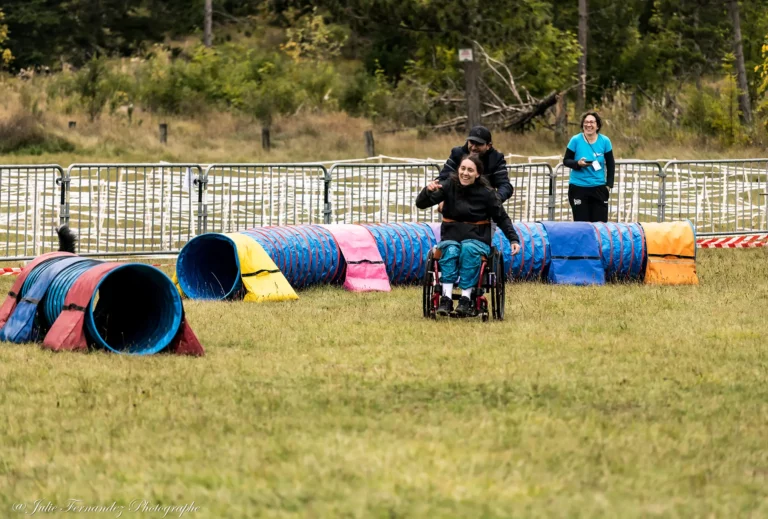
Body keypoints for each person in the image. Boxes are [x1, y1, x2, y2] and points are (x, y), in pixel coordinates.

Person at [416, 155, 521, 317]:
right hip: (451, 238)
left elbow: (502, 217)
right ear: (458, 170)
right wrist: (427, 191)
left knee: (468, 249)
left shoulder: (487, 193)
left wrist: (513, 239)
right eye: (463, 169)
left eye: (470, 170)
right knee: (450, 250)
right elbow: (421, 204)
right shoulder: (449, 185)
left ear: (477, 174)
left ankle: (466, 300)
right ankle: (446, 298)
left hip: (477, 240)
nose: (465, 173)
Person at [562, 111, 615, 223]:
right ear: (582, 125)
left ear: (597, 125)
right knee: (582, 225)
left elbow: (611, 164)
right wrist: (578, 164)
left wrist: (608, 186)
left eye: (592, 122)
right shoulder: (575, 140)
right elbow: (566, 160)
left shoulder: (605, 141)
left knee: (600, 226)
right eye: (586, 122)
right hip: (578, 187)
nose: (588, 125)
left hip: (599, 187)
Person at [438, 126, 513, 202]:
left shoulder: (496, 158)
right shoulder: (457, 154)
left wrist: (494, 201)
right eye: (471, 142)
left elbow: (505, 186)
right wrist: (443, 200)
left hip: (484, 205)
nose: (473, 147)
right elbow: (442, 179)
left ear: (488, 146)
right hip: (457, 204)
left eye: (478, 144)